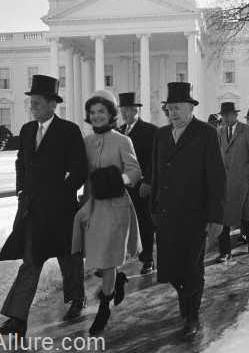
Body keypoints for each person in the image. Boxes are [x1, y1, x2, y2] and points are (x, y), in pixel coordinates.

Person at [0, 75, 88, 338]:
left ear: (52, 104)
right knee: (31, 262)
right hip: (33, 210)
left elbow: (80, 169)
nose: (32, 106)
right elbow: (21, 161)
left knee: (69, 258)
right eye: (31, 102)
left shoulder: (69, 131)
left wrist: (63, 192)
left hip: (61, 210)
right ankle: (17, 319)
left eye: (37, 102)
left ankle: (77, 300)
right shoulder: (26, 130)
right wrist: (20, 187)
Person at [151, 82, 226, 340]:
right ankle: (185, 298)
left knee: (193, 268)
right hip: (167, 215)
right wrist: (153, 209)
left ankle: (192, 315)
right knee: (171, 269)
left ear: (191, 108)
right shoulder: (161, 135)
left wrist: (216, 216)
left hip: (195, 215)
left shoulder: (205, 133)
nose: (173, 113)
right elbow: (156, 175)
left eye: (178, 108)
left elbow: (217, 177)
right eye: (170, 108)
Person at [72, 89, 142, 335]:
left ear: (111, 114)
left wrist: (117, 179)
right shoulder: (86, 142)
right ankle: (117, 281)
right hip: (92, 206)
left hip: (115, 206)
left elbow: (135, 172)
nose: (97, 116)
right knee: (98, 257)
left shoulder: (123, 140)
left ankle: (104, 306)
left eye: (102, 111)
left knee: (110, 257)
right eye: (92, 112)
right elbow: (80, 172)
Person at [118, 92, 157, 274]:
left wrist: (148, 182)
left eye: (127, 110)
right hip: (122, 188)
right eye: (122, 110)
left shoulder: (150, 131)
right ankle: (120, 258)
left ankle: (148, 259)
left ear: (136, 109)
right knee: (121, 223)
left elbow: (154, 160)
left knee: (144, 223)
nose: (124, 113)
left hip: (141, 187)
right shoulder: (118, 131)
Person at [216, 102, 249, 262]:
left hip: (243, 184)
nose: (226, 118)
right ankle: (225, 252)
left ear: (236, 115)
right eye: (223, 115)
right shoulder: (220, 132)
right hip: (224, 184)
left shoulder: (246, 131)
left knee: (246, 217)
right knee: (223, 218)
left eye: (229, 114)